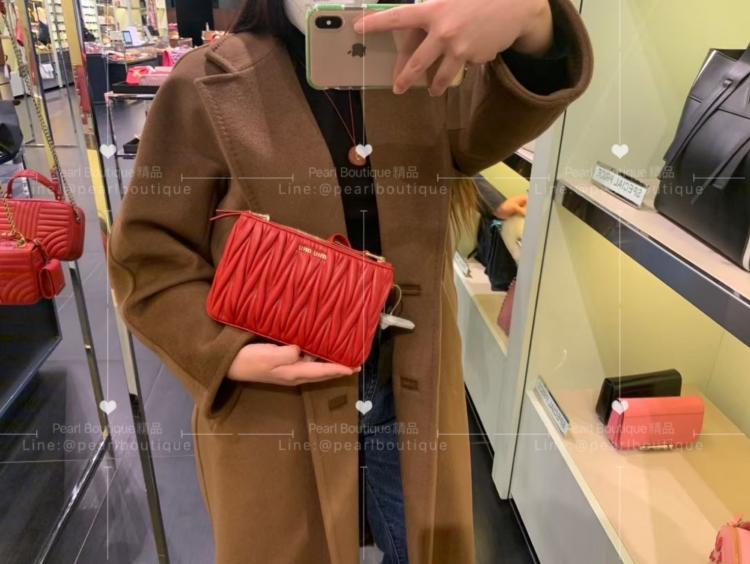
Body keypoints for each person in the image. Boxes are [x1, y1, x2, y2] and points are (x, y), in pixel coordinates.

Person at [108, 1, 592, 563]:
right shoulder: (206, 81)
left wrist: (533, 20)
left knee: (424, 548)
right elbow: (149, 254)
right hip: (276, 395)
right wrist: (224, 351)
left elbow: (498, 120)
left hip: (406, 384)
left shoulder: (426, 66)